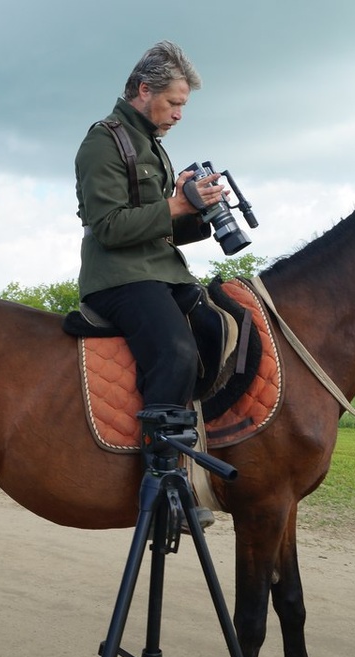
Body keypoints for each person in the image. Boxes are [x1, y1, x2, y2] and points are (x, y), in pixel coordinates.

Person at [75, 40, 225, 425]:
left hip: (163, 274)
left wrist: (196, 209)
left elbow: (160, 232)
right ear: (144, 90)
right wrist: (175, 205)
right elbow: (108, 228)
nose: (178, 115)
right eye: (174, 103)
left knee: (222, 330)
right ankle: (162, 471)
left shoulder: (152, 145)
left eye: (183, 106)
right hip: (118, 280)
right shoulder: (103, 141)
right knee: (175, 351)